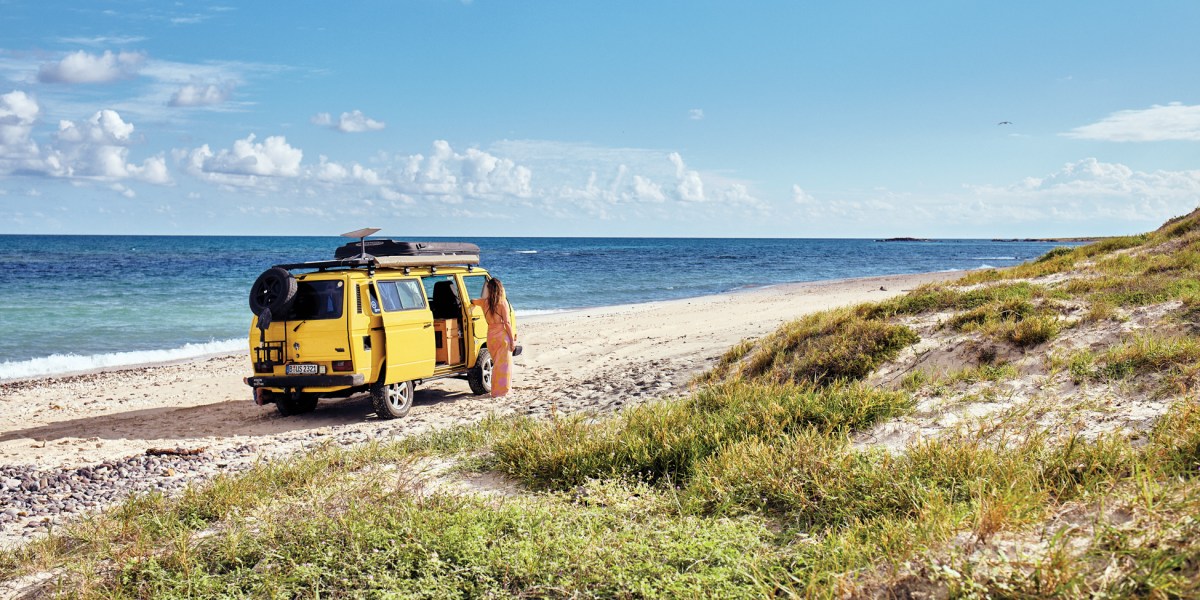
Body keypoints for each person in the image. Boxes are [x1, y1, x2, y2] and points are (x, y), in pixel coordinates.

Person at [476, 277, 516, 397]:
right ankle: (503, 391)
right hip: (502, 337)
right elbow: (507, 323)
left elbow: (473, 301)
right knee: (504, 366)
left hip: (491, 337)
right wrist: (512, 341)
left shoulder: (484, 303)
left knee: (496, 365)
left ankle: (495, 391)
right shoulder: (502, 303)